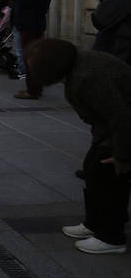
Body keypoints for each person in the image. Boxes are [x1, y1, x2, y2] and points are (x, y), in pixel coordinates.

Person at [22, 39, 130, 254]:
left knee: (108, 177)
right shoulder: (79, 67)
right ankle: (94, 224)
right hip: (110, 129)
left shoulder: (88, 77)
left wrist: (122, 156)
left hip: (123, 130)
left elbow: (122, 118)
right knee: (91, 169)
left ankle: (111, 237)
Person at [13, 0, 52, 99]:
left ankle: (33, 91)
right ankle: (32, 88)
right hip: (26, 26)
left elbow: (25, 2)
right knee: (28, 58)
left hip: (32, 27)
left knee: (31, 59)